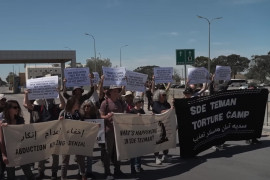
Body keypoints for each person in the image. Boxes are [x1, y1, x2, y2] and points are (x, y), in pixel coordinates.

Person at [24, 88, 66, 180]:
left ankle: (54, 173)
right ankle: (41, 172)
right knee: (42, 154)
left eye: (50, 98)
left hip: (54, 134)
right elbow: (28, 105)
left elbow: (63, 105)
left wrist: (59, 93)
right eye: (47, 99)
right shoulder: (41, 107)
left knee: (55, 155)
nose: (49, 101)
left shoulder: (55, 107)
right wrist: (26, 94)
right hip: (43, 135)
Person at [0, 100, 35, 180]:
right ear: (8, 109)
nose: (17, 109)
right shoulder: (3, 122)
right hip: (8, 152)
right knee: (11, 175)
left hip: (20, 150)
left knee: (29, 173)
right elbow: (1, 140)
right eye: (15, 107)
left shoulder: (20, 120)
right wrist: (3, 155)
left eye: (18, 107)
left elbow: (23, 135)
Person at [99, 85, 126, 180]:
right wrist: (107, 117)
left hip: (118, 131)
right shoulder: (105, 103)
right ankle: (107, 172)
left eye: (117, 91)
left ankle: (117, 170)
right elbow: (101, 116)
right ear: (110, 92)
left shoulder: (120, 102)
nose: (116, 92)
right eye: (114, 91)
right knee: (108, 152)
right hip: (108, 131)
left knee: (118, 151)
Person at [58, 97, 87, 180]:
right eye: (77, 103)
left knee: (80, 159)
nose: (78, 104)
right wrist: (60, 121)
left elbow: (84, 124)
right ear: (72, 104)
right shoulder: (63, 113)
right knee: (65, 161)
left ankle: (83, 175)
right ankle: (63, 177)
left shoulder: (79, 113)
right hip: (66, 140)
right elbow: (57, 126)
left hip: (78, 140)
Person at [80, 100, 99, 179]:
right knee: (81, 157)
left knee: (90, 156)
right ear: (83, 108)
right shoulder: (80, 116)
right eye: (85, 106)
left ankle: (89, 172)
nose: (87, 108)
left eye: (88, 106)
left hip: (90, 139)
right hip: (81, 139)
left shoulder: (94, 116)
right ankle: (81, 172)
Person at [152, 89, 172, 165]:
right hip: (158, 125)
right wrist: (169, 110)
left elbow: (170, 111)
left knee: (166, 140)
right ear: (158, 96)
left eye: (165, 95)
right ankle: (156, 157)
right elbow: (161, 111)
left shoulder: (167, 104)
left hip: (166, 124)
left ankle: (165, 155)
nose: (165, 96)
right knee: (158, 141)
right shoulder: (155, 103)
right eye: (163, 95)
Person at [129, 96, 145, 175]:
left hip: (140, 133)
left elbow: (145, 119)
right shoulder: (132, 111)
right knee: (133, 152)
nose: (141, 103)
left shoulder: (142, 110)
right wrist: (135, 117)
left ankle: (138, 165)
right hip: (133, 134)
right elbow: (128, 121)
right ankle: (132, 168)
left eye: (141, 102)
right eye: (140, 102)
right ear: (136, 103)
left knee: (139, 151)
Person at [0, 94, 6, 179]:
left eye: (4, 100)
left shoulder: (6, 109)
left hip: (5, 136)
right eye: (1, 100)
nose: (3, 101)